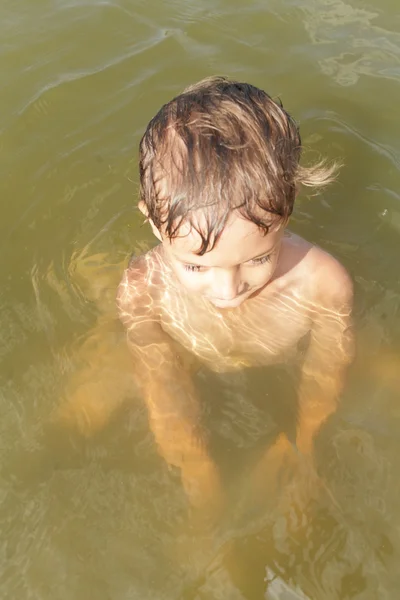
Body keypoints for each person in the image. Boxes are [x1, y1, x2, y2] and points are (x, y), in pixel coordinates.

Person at [56, 76, 354, 515]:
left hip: (276, 358)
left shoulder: (323, 283)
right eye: (195, 266)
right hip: (188, 350)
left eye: (257, 259)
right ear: (155, 225)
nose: (228, 291)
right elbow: (161, 380)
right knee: (86, 403)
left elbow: (327, 369)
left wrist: (306, 441)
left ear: (287, 211)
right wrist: (193, 462)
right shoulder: (143, 287)